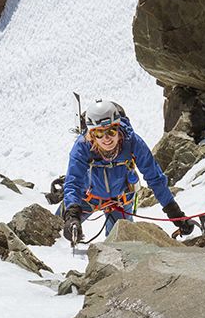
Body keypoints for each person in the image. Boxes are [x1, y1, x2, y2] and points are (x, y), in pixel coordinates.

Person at [60, 99, 194, 242]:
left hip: (120, 201)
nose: (107, 138)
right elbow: (73, 183)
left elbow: (155, 178)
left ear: (118, 127)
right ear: (92, 134)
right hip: (86, 198)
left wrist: (175, 214)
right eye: (99, 133)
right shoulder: (82, 147)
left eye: (111, 131)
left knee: (121, 244)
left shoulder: (132, 142)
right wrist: (72, 216)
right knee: (56, 230)